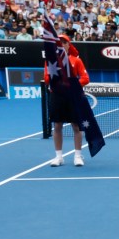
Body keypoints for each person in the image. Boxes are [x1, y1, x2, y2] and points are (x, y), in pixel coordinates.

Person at [47, 34, 90, 167]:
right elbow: (47, 78)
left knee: (76, 126)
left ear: (68, 45)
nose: (61, 45)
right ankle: (58, 157)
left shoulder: (76, 61)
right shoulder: (50, 61)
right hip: (58, 96)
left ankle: (78, 156)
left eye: (64, 43)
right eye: (59, 43)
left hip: (73, 96)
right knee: (57, 126)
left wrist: (73, 85)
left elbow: (85, 78)